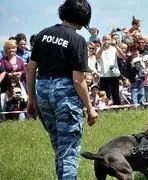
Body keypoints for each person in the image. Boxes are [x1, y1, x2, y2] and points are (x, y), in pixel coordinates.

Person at [26, 0, 98, 179]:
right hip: (65, 94)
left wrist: (31, 98)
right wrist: (90, 107)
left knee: (59, 146)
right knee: (69, 151)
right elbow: (78, 80)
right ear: (84, 17)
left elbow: (30, 68)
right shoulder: (78, 39)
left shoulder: (43, 34)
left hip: (42, 90)